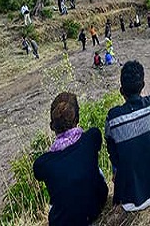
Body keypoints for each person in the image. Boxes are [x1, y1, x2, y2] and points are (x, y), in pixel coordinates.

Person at [105, 61, 150, 211]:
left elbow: (114, 156)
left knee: (116, 149)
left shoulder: (113, 118)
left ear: (121, 90)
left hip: (130, 202)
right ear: (142, 85)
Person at [33, 92, 108, 226]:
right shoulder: (92, 137)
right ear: (77, 118)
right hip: (96, 205)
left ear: (52, 126)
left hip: (64, 221)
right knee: (94, 168)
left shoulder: (43, 163)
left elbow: (38, 174)